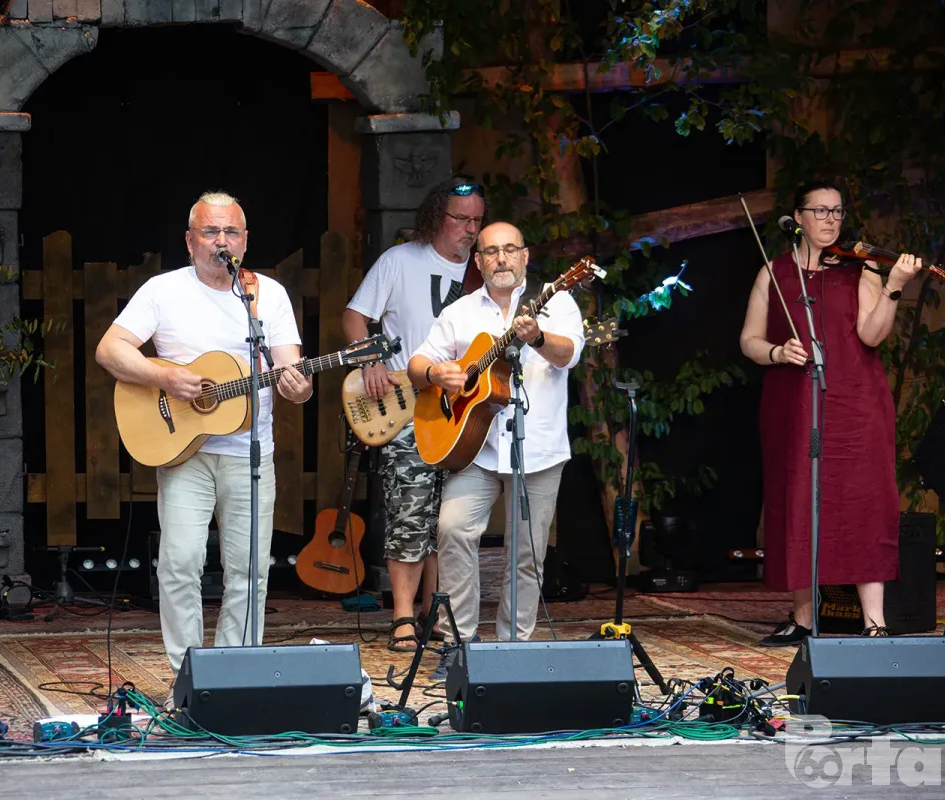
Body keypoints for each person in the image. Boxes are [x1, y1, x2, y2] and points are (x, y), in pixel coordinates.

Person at [95, 191, 312, 675]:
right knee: (179, 563)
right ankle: (188, 676)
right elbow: (110, 350)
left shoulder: (266, 295)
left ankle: (236, 674)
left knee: (250, 571)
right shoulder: (163, 290)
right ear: (190, 240)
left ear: (245, 240)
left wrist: (299, 387)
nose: (221, 241)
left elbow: (291, 371)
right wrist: (166, 377)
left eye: (230, 232)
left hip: (249, 452)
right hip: (183, 450)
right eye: (210, 231)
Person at [739, 180, 921, 646]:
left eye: (837, 211)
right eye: (820, 211)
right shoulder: (774, 272)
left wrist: (893, 288)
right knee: (798, 500)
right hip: (792, 403)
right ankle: (804, 618)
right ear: (798, 217)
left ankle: (874, 622)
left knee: (863, 501)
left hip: (856, 402)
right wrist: (778, 352)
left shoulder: (862, 268)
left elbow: (872, 335)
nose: (831, 220)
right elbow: (749, 340)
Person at [407, 221, 585, 677]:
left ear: (525, 256)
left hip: (538, 448)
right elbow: (417, 363)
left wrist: (537, 337)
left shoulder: (557, 300)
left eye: (510, 249)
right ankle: (458, 645)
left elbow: (570, 354)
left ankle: (513, 650)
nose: (501, 258)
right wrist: (436, 374)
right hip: (476, 448)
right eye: (491, 251)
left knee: (526, 554)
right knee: (452, 530)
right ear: (479, 261)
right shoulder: (461, 311)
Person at [342, 178, 485, 652]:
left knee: (450, 520)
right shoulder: (400, 261)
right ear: (436, 217)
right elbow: (355, 316)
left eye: (477, 220)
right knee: (409, 513)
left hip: (465, 415)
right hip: (407, 409)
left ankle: (436, 614)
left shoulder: (485, 270)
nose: (471, 229)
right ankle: (403, 616)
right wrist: (370, 360)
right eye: (461, 219)